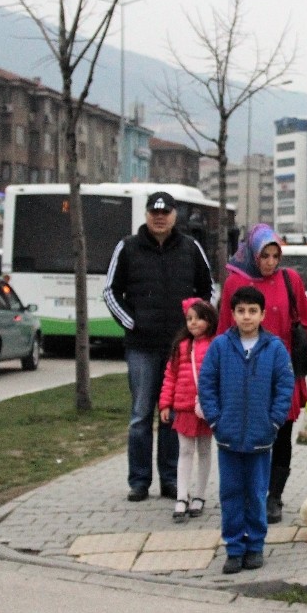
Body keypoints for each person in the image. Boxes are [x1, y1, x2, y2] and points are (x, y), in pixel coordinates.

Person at [104, 190, 214, 503]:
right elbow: (111, 292)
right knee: (140, 416)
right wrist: (132, 323)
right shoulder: (127, 247)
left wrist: (198, 326)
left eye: (165, 213)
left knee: (172, 415)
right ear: (147, 214)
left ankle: (170, 480)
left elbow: (209, 288)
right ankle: (139, 481)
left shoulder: (191, 248)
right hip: (141, 347)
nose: (160, 217)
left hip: (179, 349)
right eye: (154, 212)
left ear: (174, 216)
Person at [217, 224, 307, 524]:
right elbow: (222, 332)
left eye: (275, 255)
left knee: (281, 435)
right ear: (252, 254)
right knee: (251, 434)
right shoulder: (235, 284)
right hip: (245, 373)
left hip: (284, 372)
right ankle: (249, 491)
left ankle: (274, 496)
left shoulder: (289, 280)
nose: (270, 262)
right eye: (264, 255)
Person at [198, 285, 295, 574]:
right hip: (228, 438)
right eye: (241, 311)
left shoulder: (275, 348)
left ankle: (255, 545)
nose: (247, 317)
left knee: (255, 493)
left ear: (263, 314)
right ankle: (234, 548)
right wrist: (215, 420)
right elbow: (207, 384)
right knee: (230, 493)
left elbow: (284, 387)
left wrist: (274, 422)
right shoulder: (220, 346)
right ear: (232, 314)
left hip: (260, 439)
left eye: (253, 311)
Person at [159, 298, 218, 523]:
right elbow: (170, 375)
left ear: (209, 320)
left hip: (206, 408)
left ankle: (200, 496)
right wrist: (165, 403)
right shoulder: (181, 346)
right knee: (184, 451)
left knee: (204, 451)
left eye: (199, 318)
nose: (193, 323)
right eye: (189, 319)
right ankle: (182, 496)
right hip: (184, 407)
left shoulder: (216, 345)